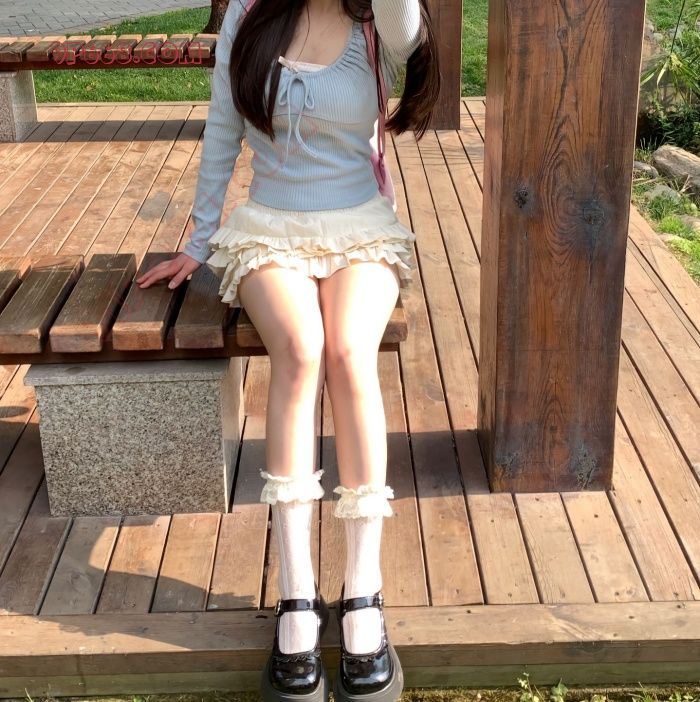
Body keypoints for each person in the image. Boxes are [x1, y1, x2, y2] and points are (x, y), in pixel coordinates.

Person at [136, 0, 439, 698]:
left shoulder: (377, 19)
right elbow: (222, 128)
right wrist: (197, 240)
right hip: (269, 228)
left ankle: (363, 588)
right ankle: (296, 590)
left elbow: (408, 33)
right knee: (300, 350)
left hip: (362, 226)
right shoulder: (249, 13)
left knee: (350, 353)